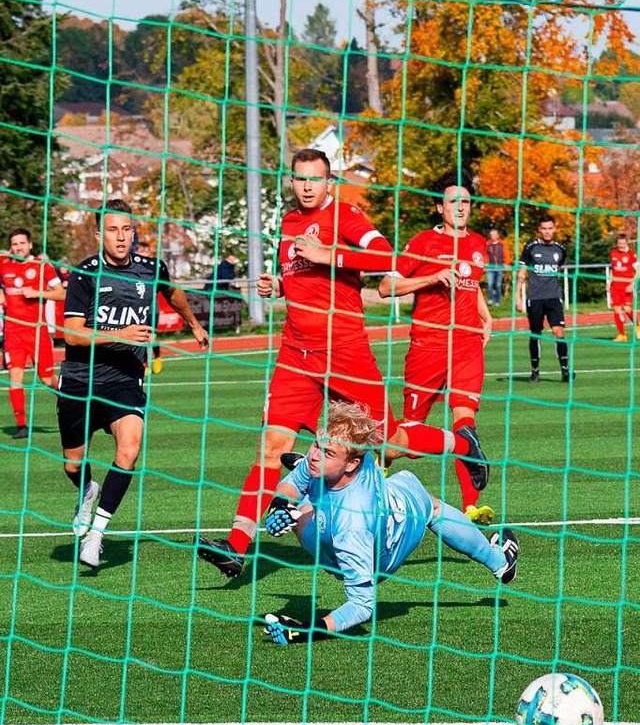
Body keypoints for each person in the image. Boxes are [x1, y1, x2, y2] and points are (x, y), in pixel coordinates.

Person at [196, 149, 488, 579]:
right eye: (300, 179)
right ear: (291, 182)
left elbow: (385, 258)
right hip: (296, 354)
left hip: (345, 350)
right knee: (271, 447)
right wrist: (277, 283)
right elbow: (303, 279)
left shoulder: (347, 216)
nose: (308, 186)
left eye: (316, 179)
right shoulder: (290, 224)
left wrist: (327, 254)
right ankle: (236, 546)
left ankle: (463, 445)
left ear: (329, 183)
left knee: (387, 444)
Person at [261, 401, 519, 646]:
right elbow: (294, 481)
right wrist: (280, 504)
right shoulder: (340, 456)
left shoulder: (354, 525)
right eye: (316, 445)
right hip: (345, 529)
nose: (315, 455)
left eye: (327, 453)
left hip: (382, 552)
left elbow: (362, 606)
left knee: (422, 500)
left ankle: (501, 564)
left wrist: (306, 631)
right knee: (427, 501)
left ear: (352, 464)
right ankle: (500, 562)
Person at [58, 198, 209, 570]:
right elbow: (72, 335)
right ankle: (87, 491)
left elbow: (172, 292)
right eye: (112, 230)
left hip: (125, 377)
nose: (121, 237)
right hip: (80, 379)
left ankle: (96, 535)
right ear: (99, 235)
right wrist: (120, 333)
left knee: (129, 448)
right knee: (73, 466)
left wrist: (192, 322)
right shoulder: (84, 273)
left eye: (127, 229)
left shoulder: (149, 268)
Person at [378, 169, 494, 525]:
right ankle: (375, 471)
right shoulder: (423, 243)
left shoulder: (477, 244)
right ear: (439, 207)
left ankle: (472, 507)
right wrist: (431, 277)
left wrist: (485, 317)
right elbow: (385, 288)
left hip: (466, 343)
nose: (461, 208)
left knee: (466, 425)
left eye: (466, 202)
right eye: (453, 202)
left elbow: (470, 287)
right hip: (427, 348)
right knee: (404, 439)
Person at [0, 228, 65, 439]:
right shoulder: (4, 264)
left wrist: (37, 293)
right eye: (14, 244)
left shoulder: (41, 266)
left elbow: (61, 293)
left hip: (37, 331)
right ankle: (21, 426)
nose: (18, 247)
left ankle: (69, 399)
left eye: (22, 243)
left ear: (30, 245)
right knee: (15, 377)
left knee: (46, 378)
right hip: (12, 332)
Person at [516, 215, 573, 383]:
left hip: (554, 298)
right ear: (539, 230)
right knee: (536, 335)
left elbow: (559, 269)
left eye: (550, 228)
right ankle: (535, 371)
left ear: (554, 229)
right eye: (544, 229)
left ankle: (565, 370)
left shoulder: (560, 249)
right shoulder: (530, 248)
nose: (547, 232)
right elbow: (521, 273)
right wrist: (517, 297)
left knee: (558, 332)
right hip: (535, 298)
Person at [135, 239, 164, 374]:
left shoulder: (153, 267)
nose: (143, 254)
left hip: (152, 308)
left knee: (152, 336)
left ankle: (157, 357)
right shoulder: (131, 267)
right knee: (141, 337)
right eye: (140, 251)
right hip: (137, 309)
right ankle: (144, 364)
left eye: (145, 251)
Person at [608, 233, 638, 342]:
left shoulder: (632, 254)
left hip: (627, 284)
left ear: (626, 243)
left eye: (623, 243)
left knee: (627, 309)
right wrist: (609, 282)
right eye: (619, 243)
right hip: (615, 285)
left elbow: (638, 271)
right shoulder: (613, 253)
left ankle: (638, 326)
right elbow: (613, 268)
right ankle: (622, 335)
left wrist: (632, 284)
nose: (620, 245)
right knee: (616, 309)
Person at [485, 227, 506, 306]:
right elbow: (484, 255)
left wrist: (506, 263)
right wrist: (485, 263)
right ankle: (490, 299)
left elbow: (506, 255)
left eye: (494, 234)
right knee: (490, 284)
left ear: (497, 235)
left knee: (498, 285)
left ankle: (497, 301)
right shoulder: (487, 244)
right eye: (491, 235)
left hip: (499, 266)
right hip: (489, 267)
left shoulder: (502, 244)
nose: (493, 236)